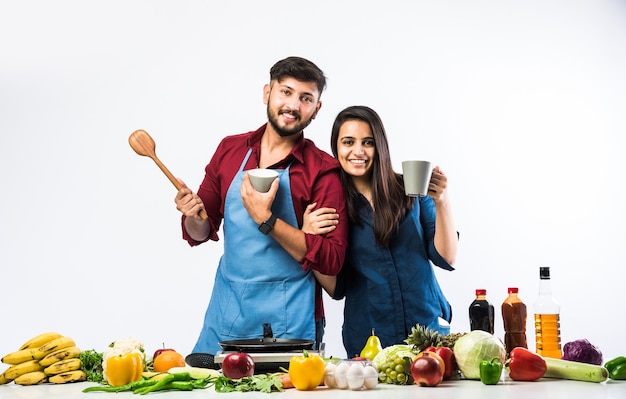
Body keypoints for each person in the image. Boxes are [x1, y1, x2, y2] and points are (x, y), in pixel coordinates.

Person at [174, 57, 349, 356]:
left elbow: (332, 261)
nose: (293, 105)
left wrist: (266, 219)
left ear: (316, 109)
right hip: (227, 311)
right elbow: (202, 230)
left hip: (289, 321)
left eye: (305, 98)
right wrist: (193, 214)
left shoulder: (323, 171)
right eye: (286, 92)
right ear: (267, 92)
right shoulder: (230, 150)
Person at [304, 105, 458, 358]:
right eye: (348, 142)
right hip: (369, 339)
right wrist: (309, 241)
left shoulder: (411, 190)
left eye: (368, 142)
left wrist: (442, 201)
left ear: (380, 147)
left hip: (428, 331)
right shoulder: (333, 205)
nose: (358, 151)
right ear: (336, 148)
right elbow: (336, 288)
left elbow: (447, 257)